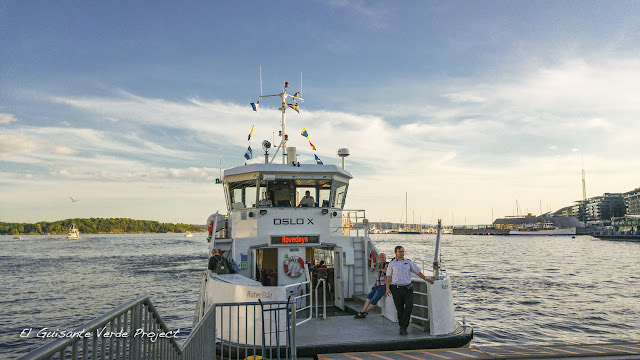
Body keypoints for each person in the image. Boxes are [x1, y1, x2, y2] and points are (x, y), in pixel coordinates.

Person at [385, 246, 434, 335]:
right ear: (395, 253)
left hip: (407, 289)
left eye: (403, 251)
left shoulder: (408, 262)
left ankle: (404, 326)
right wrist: (387, 288)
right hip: (396, 289)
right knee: (400, 310)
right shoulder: (392, 264)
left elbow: (418, 272)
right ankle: (402, 327)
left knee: (409, 307)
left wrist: (427, 279)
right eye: (400, 251)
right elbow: (388, 276)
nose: (402, 253)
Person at [355, 253, 388, 318]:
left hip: (383, 286)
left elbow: (387, 271)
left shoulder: (387, 264)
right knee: (369, 296)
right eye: (381, 257)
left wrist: (380, 270)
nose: (382, 258)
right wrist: (375, 284)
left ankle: (364, 313)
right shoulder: (380, 265)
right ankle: (363, 311)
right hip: (378, 285)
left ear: (385, 258)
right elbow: (378, 277)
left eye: (383, 257)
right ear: (379, 258)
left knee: (374, 300)